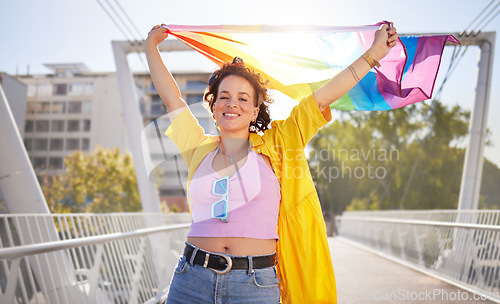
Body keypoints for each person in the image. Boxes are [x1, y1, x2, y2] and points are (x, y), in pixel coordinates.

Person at [145, 22, 398, 304]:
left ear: (254, 111)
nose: (232, 104)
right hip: (191, 280)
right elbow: (172, 98)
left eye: (243, 99)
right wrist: (151, 47)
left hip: (254, 285)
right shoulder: (197, 147)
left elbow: (324, 96)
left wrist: (373, 54)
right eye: (224, 97)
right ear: (213, 107)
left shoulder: (280, 143)